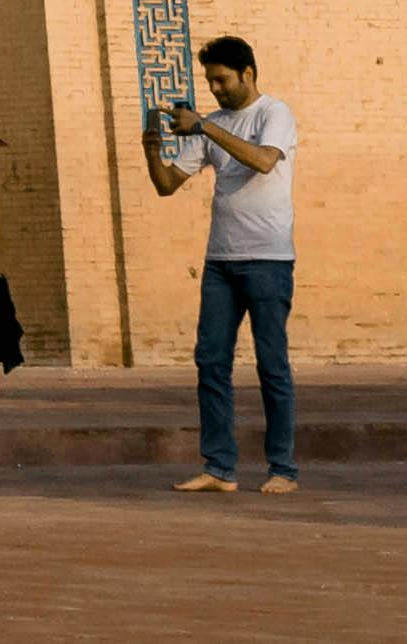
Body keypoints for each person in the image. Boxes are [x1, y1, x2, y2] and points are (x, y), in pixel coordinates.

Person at [146, 32, 297, 492]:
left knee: (271, 364)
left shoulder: (274, 113)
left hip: (268, 259)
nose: (215, 89)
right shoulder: (212, 123)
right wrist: (152, 149)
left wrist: (205, 127)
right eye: (209, 81)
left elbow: (264, 162)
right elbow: (168, 184)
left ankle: (282, 469)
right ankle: (219, 467)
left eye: (222, 80)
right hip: (221, 262)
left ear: (247, 73)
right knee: (211, 361)